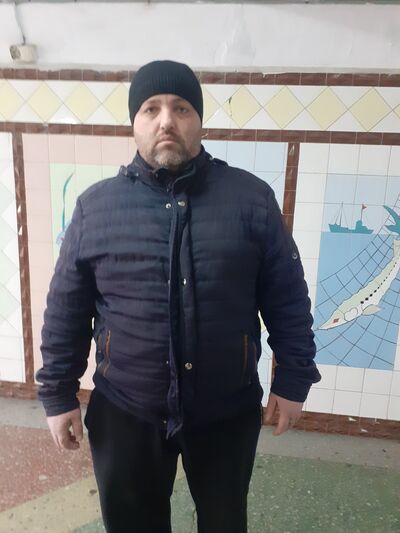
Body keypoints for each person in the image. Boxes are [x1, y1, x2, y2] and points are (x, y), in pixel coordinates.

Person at [36, 60, 321, 533]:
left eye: (181, 108)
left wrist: (293, 379)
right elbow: (66, 309)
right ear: (134, 123)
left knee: (224, 522)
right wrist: (57, 393)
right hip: (126, 410)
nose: (166, 120)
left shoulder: (251, 200)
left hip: (226, 409)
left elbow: (287, 298)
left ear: (200, 121)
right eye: (151, 108)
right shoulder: (95, 208)